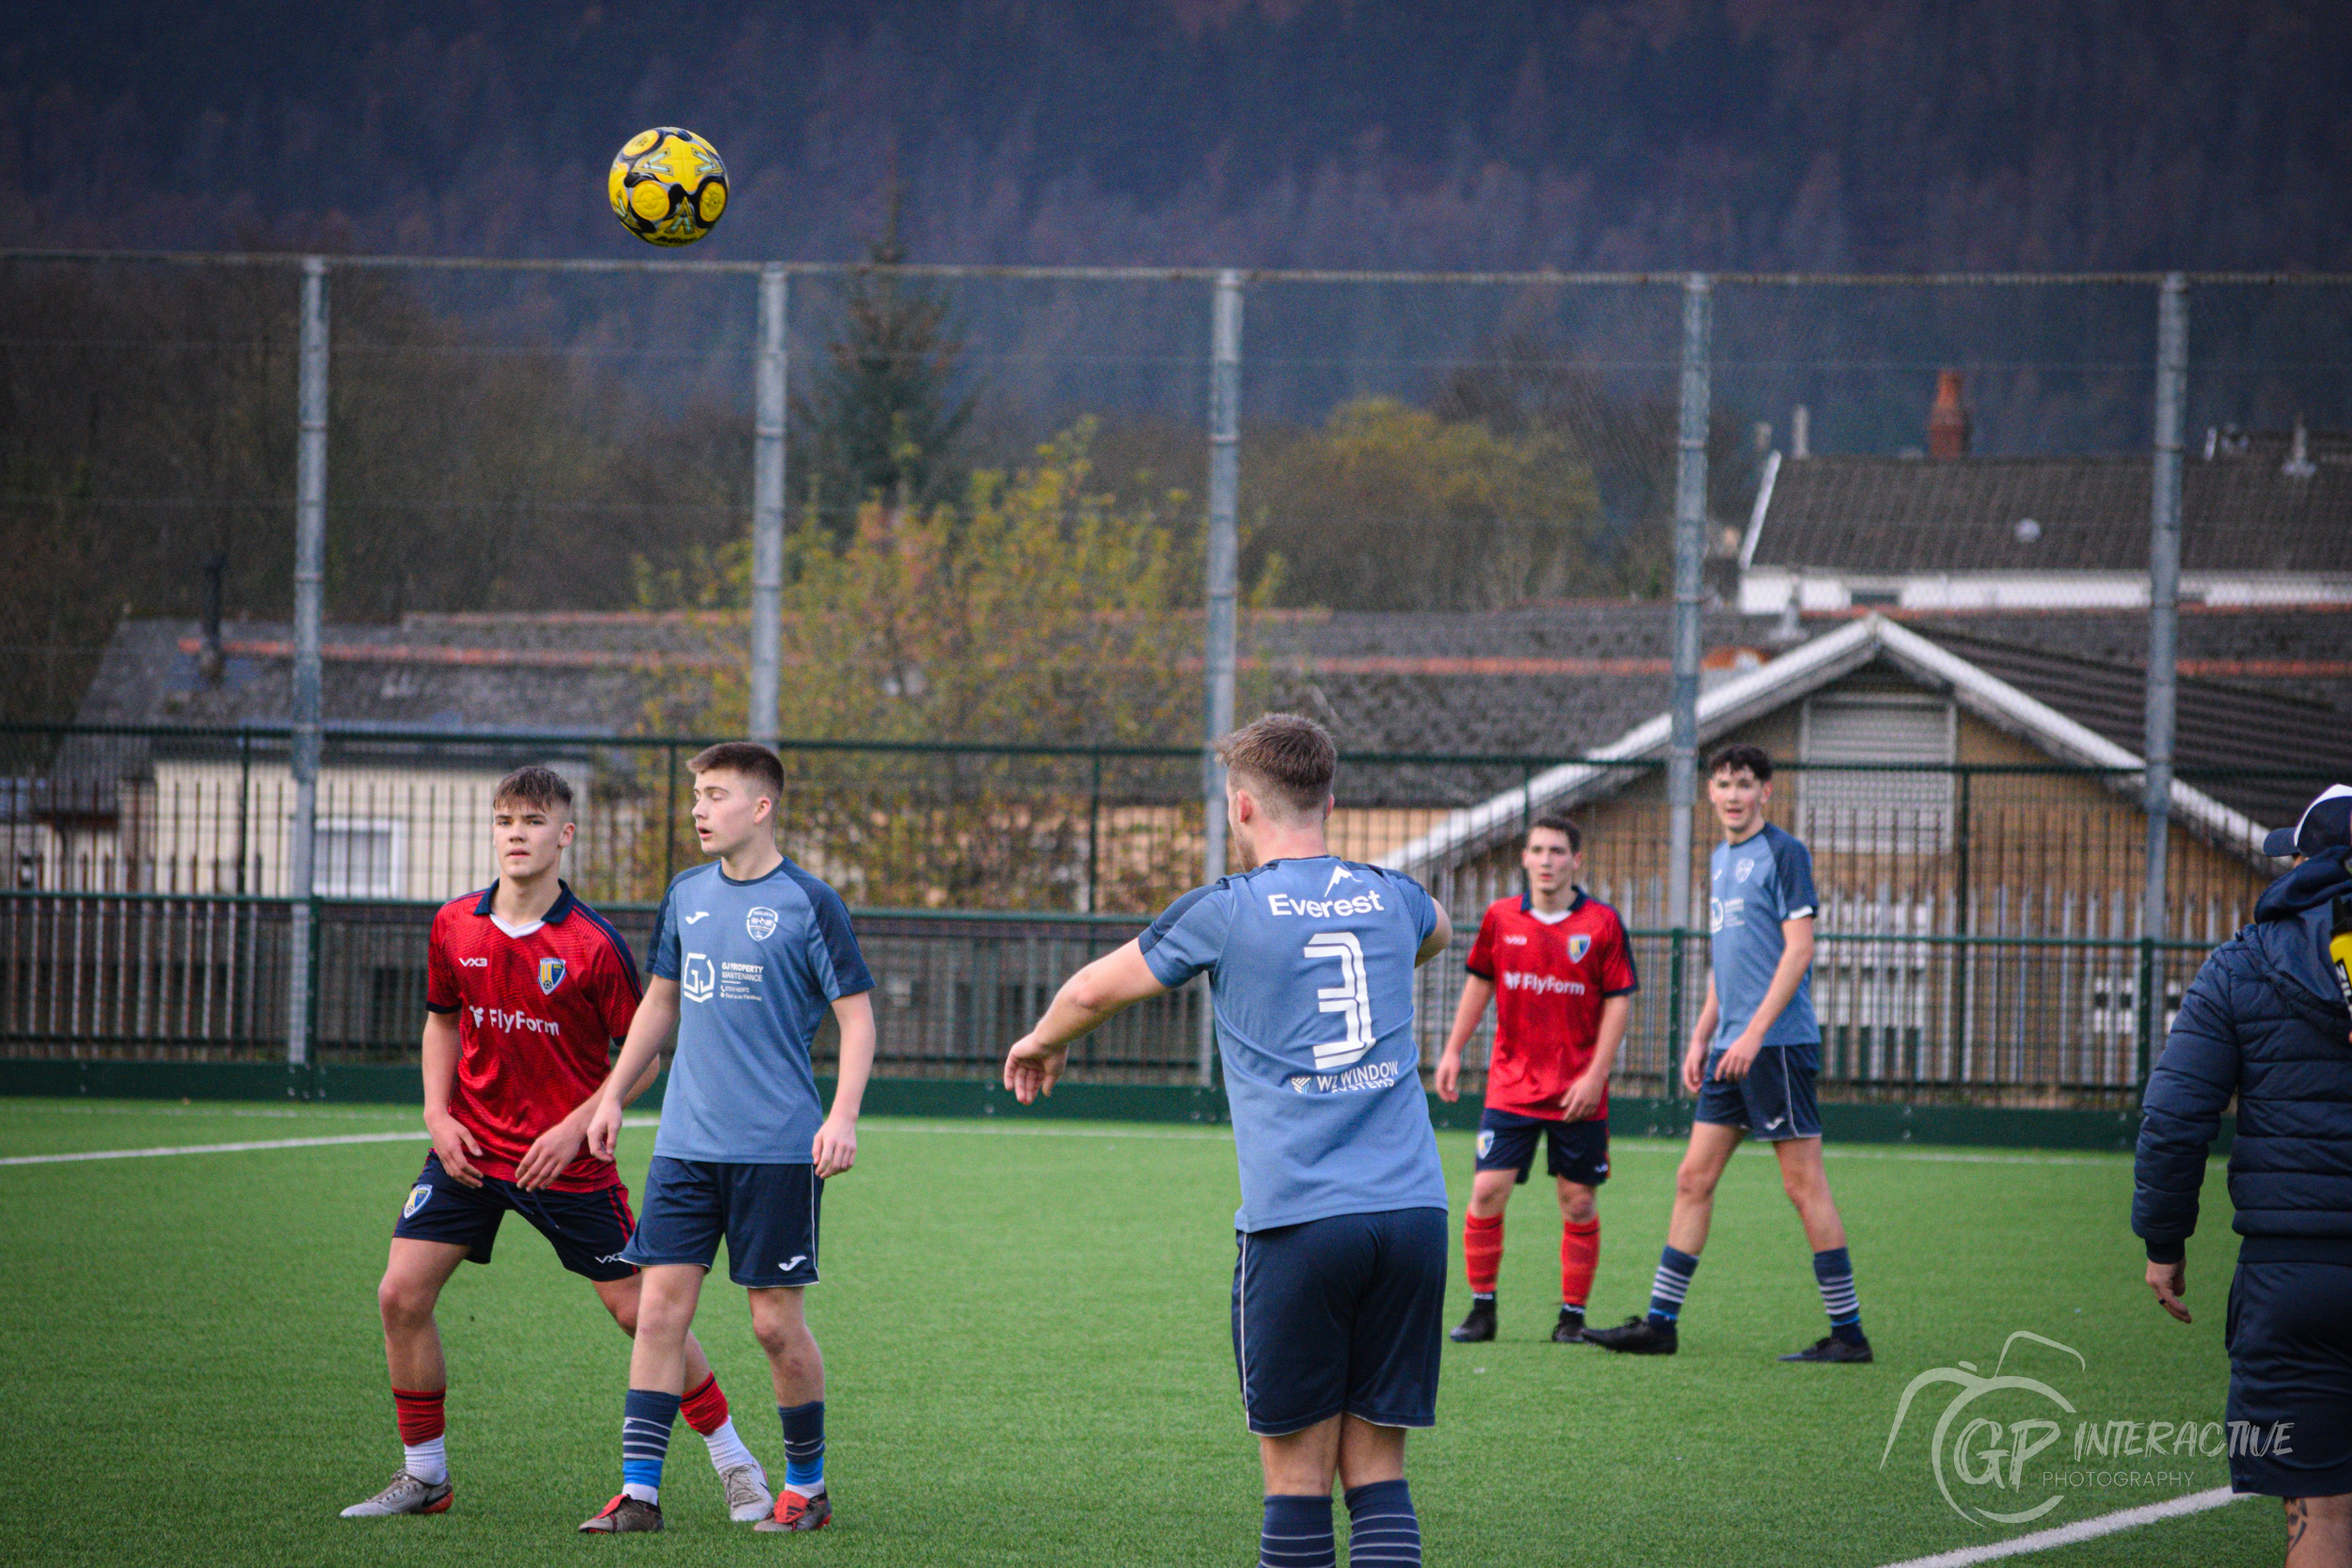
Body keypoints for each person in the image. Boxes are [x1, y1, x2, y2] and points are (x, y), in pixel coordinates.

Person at [1005, 714, 1453, 1568]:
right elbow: (1440, 928)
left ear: (1242, 805)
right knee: (1378, 1473)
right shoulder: (1392, 895)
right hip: (1411, 1217)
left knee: (1297, 1482)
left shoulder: (1228, 907)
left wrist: (1043, 1040)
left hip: (1302, 1223)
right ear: (1331, 801)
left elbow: (1095, 989)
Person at [342, 766, 770, 1524]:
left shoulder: (593, 944)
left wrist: (577, 1126)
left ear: (564, 834)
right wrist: (437, 1115)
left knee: (641, 1315)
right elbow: (442, 1020)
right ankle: (425, 1475)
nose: (517, 833)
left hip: (569, 1168)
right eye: (505, 819)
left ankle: (734, 1459)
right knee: (399, 1294)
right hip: (470, 1153)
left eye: (534, 821)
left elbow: (645, 1055)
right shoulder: (455, 924)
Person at [574, 742, 878, 1535]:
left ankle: (806, 1489)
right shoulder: (686, 893)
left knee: (773, 1325)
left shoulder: (811, 901)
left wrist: (842, 1114)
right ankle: (639, 1493)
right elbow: (660, 1002)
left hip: (776, 1150)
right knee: (658, 1315)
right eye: (698, 795)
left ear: (761, 806)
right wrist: (611, 1095)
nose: (699, 809)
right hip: (685, 1147)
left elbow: (856, 1018)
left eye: (715, 795)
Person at [1584, 744, 1870, 1363]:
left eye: (1744, 783)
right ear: (1709, 793)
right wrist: (1703, 1034)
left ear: (1766, 791)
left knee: (1803, 1186)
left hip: (1776, 1047)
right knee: (1693, 1178)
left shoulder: (1785, 853)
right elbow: (1729, 959)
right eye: (1723, 783)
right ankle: (1660, 1325)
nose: (1733, 794)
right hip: (1730, 1048)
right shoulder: (1720, 858)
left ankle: (1849, 1336)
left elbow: (1799, 950)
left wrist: (1753, 1033)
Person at [2135, 783, 2352, 1567]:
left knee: (2323, 1518)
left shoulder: (2244, 962)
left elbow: (2173, 1117)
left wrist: (2165, 1242)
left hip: (2294, 1277)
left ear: (2303, 862)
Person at [1435, 813, 1636, 1345]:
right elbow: (1480, 982)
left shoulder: (1602, 924)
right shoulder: (1500, 917)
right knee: (1486, 1191)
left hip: (1577, 1089)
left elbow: (1619, 1003)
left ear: (1576, 860)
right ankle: (1482, 1312)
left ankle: (1572, 1319)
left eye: (1558, 851)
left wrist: (1596, 1075)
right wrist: (1453, 1050)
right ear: (1524, 858)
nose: (1547, 860)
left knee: (1578, 1201)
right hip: (1513, 1084)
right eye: (1538, 850)